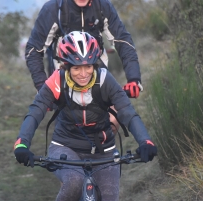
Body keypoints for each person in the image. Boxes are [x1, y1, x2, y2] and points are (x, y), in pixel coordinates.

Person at [14, 31, 157, 201]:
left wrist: (145, 141)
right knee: (74, 182)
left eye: (88, 66)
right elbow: (35, 112)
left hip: (105, 151)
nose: (83, 73)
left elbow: (128, 112)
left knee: (109, 196)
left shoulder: (105, 80)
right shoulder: (57, 80)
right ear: (66, 66)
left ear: (95, 64)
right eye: (76, 68)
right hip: (65, 146)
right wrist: (22, 143)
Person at [25, 0, 143, 98]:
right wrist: (41, 85)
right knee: (66, 122)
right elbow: (34, 49)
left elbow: (123, 41)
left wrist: (133, 78)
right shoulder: (53, 8)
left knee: (114, 115)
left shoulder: (102, 6)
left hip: (97, 70)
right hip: (64, 74)